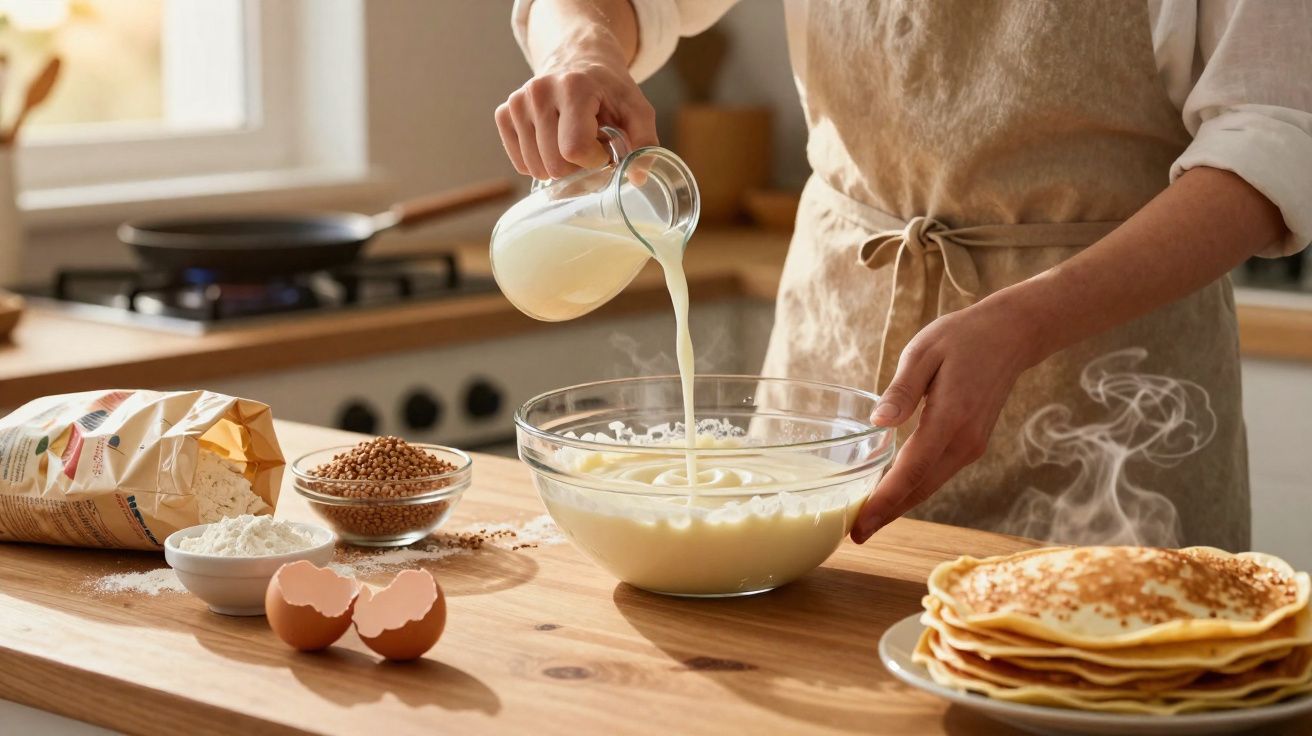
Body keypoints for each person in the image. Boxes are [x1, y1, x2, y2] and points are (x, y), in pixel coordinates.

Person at [496, 0, 1311, 550]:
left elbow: (1273, 137)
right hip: (834, 355)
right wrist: (582, 50)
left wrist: (1025, 321)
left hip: (1114, 394)